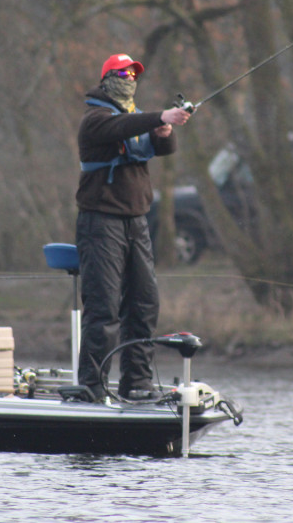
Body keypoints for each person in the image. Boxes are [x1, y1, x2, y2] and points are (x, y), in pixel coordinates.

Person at [75, 53, 192, 401]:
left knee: (144, 304)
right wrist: (157, 116)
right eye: (123, 73)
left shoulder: (134, 119)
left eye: (134, 73)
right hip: (100, 222)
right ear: (108, 78)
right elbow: (119, 129)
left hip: (136, 222)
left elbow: (163, 149)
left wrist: (163, 129)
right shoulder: (95, 119)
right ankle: (92, 386)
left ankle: (136, 383)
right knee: (104, 308)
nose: (130, 78)